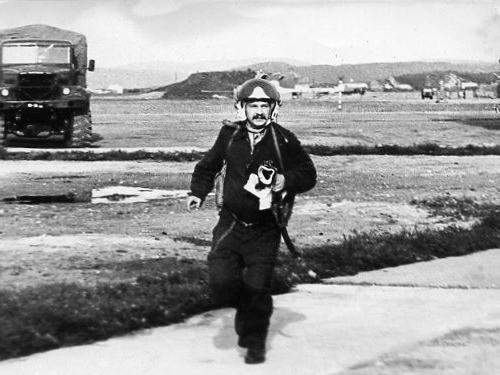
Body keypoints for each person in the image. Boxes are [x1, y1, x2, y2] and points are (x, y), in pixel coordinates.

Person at [187, 78, 316, 364]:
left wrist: (284, 180)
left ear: (275, 109)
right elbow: (207, 167)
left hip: (265, 229)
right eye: (252, 105)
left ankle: (255, 341)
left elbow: (308, 174)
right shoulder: (229, 135)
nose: (258, 111)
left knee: (258, 288)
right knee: (221, 285)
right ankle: (244, 310)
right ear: (241, 107)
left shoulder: (284, 140)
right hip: (230, 224)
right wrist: (197, 193)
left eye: (264, 105)